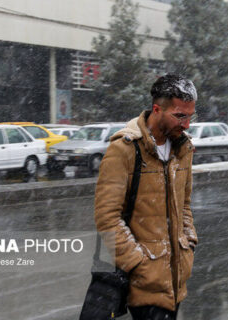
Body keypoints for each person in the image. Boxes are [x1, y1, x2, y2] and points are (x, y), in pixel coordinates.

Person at [94, 74, 198, 320]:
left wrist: (188, 240)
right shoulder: (125, 148)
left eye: (190, 116)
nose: (186, 124)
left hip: (175, 280)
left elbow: (184, 204)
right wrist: (138, 262)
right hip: (144, 282)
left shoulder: (184, 149)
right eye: (180, 115)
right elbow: (107, 217)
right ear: (156, 109)